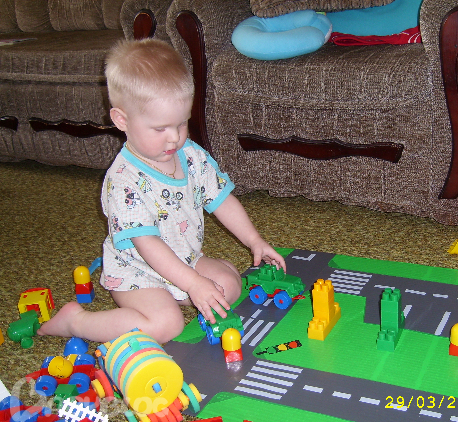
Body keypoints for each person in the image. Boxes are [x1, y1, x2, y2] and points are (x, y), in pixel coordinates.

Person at [39, 39, 286, 344]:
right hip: (138, 273)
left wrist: (254, 240)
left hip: (184, 258)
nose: (174, 139)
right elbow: (149, 246)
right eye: (160, 129)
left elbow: (222, 200)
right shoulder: (124, 181)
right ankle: (76, 321)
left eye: (181, 124)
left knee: (230, 287)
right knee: (166, 325)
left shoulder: (190, 155)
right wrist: (193, 283)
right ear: (121, 120)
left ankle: (186, 289)